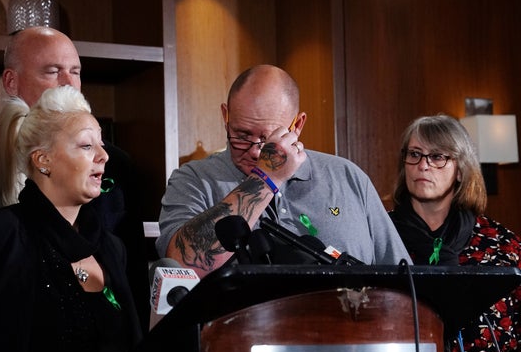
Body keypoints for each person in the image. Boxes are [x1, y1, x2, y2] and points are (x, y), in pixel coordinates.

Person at [0, 85, 158, 352]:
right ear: (43, 160)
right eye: (86, 145)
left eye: (101, 143)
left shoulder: (112, 248)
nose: (103, 156)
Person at [0, 26, 150, 328]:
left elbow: (132, 272)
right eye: (53, 72)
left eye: (75, 71)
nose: (68, 83)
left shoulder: (117, 166)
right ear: (11, 81)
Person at [156, 64, 410, 275]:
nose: (256, 152)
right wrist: (266, 179)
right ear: (226, 116)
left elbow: (404, 281)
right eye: (242, 135)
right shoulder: (194, 180)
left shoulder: (347, 178)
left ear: (297, 124)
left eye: (269, 139)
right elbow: (183, 266)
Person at [388, 114, 521, 352]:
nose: (423, 165)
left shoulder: (501, 245)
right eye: (415, 154)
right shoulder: (379, 236)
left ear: (461, 170)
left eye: (437, 157)